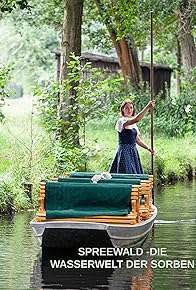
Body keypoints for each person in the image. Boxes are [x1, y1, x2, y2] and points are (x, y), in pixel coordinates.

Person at [109, 99, 155, 174]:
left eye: (131, 108)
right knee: (127, 172)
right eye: (126, 108)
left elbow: (137, 140)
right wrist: (147, 107)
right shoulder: (121, 121)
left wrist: (148, 148)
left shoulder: (133, 124)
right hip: (124, 151)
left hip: (133, 151)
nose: (129, 110)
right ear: (122, 110)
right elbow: (137, 119)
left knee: (135, 173)